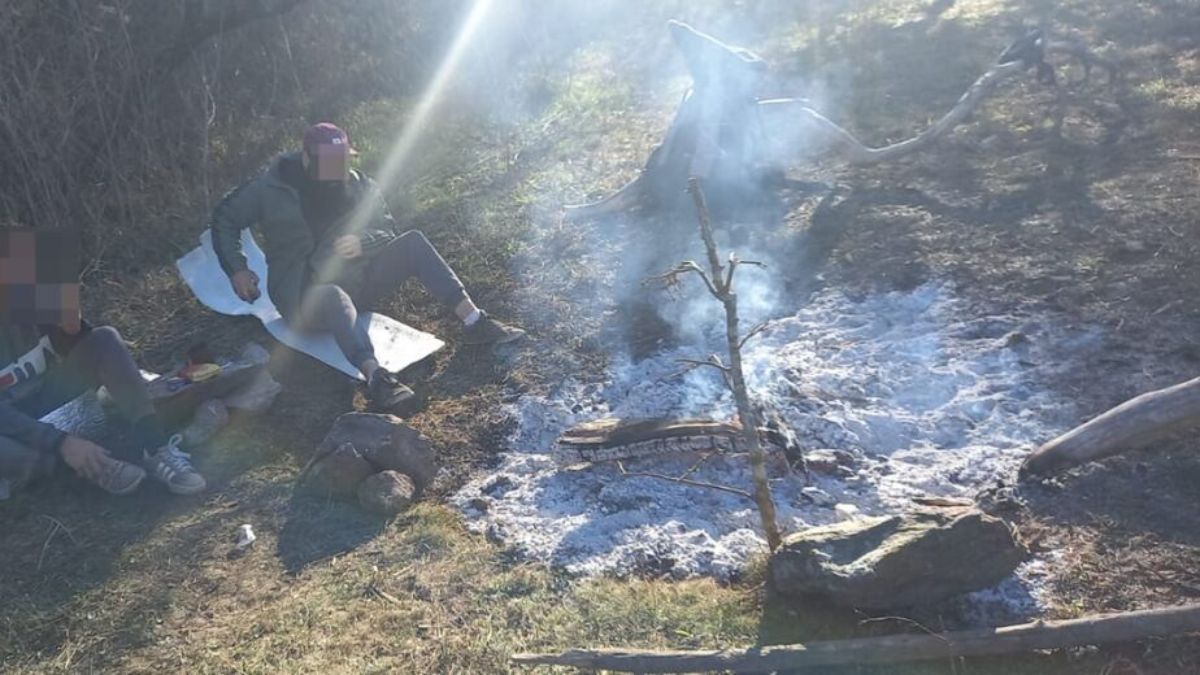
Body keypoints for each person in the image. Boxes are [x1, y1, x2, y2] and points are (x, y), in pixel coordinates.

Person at [209, 123, 524, 411]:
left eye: (341, 160)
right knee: (332, 296)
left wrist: (363, 242)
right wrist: (237, 268)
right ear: (305, 157)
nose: (336, 169)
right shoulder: (271, 188)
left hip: (356, 282)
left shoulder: (360, 186)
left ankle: (474, 321)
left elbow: (387, 229)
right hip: (301, 296)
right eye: (327, 161)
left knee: (413, 242)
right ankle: (377, 379)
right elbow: (225, 219)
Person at [0, 321, 206, 496]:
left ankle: (154, 445)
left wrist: (68, 317)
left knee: (104, 337)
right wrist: (61, 442)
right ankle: (87, 469)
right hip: (10, 432)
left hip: (47, 400)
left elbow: (87, 347)